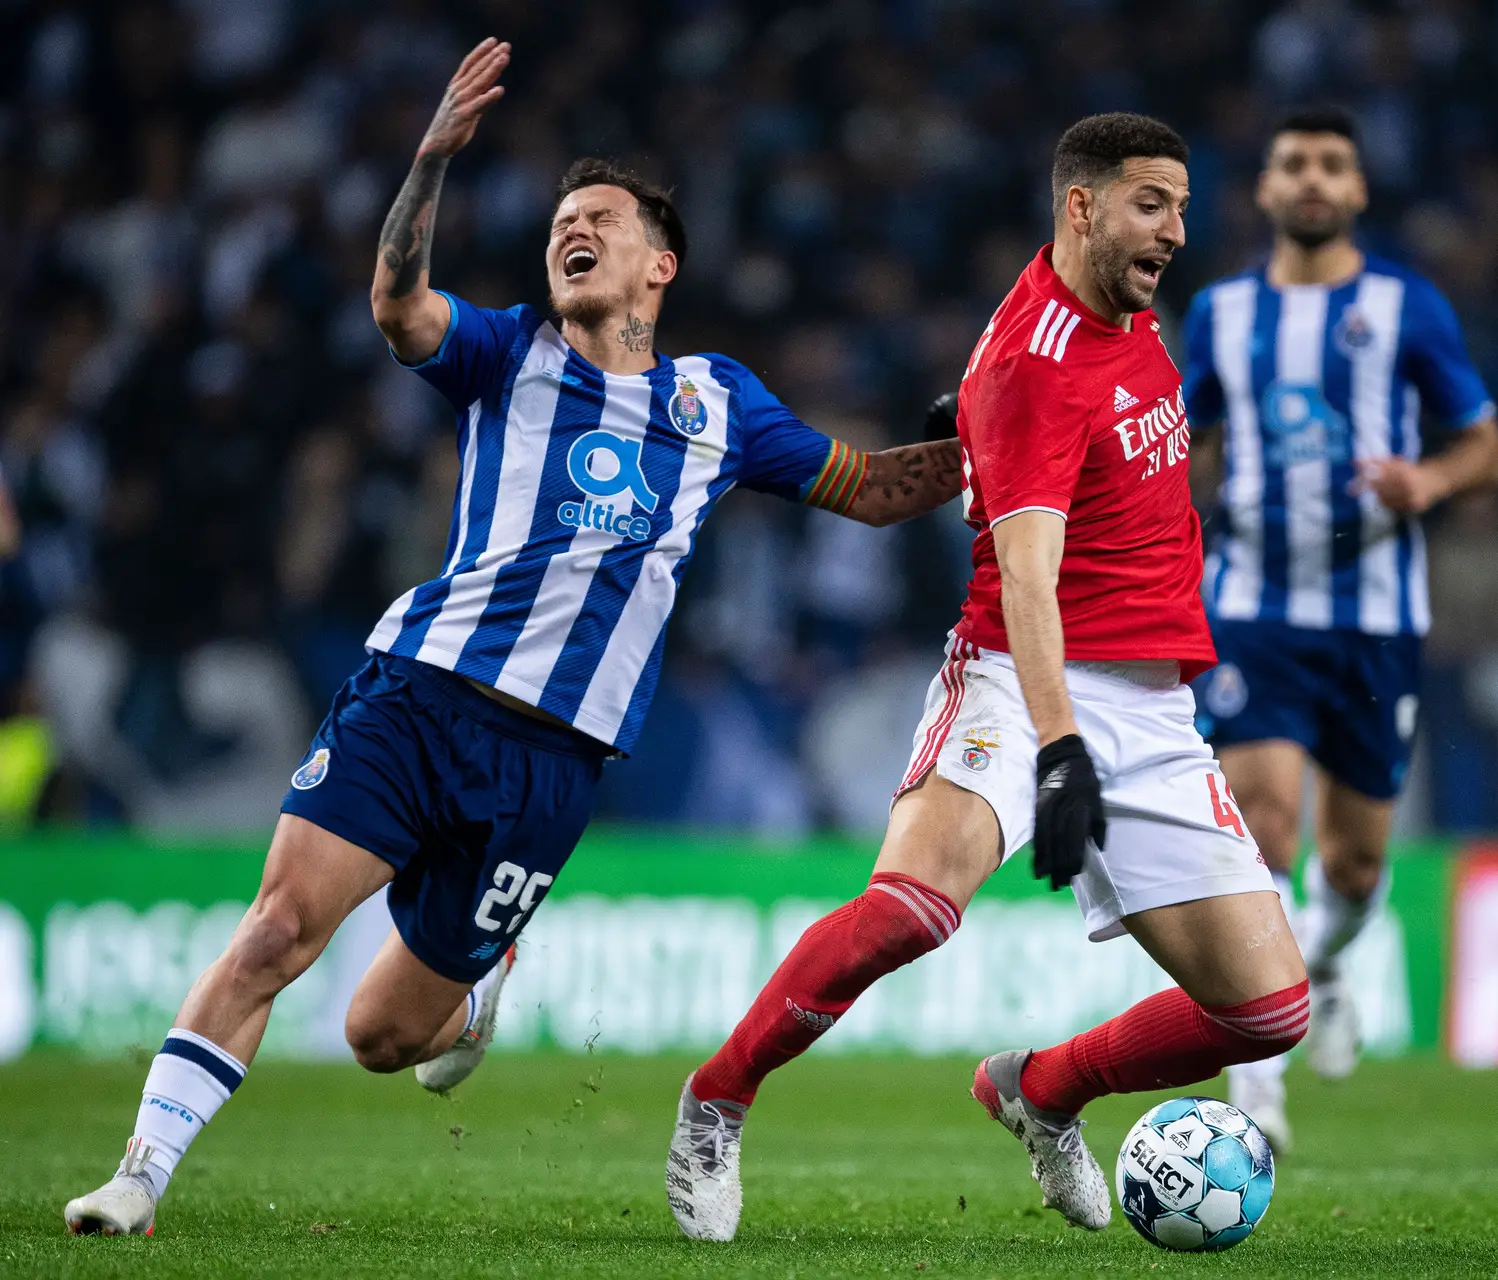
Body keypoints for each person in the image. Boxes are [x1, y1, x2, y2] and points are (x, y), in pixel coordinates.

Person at [63, 38, 963, 1238]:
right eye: (557, 223)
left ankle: (475, 986)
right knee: (276, 929)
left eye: (598, 218)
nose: (570, 232)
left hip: (552, 764)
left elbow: (873, 487)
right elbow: (396, 304)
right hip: (418, 695)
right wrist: (428, 165)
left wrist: (992, 441)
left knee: (381, 1035)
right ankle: (141, 1171)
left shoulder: (719, 404)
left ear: (661, 263)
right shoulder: (507, 353)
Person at [667, 113, 1310, 1244]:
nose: (1176, 229)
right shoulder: (1032, 361)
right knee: (907, 913)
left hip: (1154, 705)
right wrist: (1060, 748)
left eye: (1183, 206)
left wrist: (970, 427)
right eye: (1151, 204)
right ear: (1082, 205)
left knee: (1269, 1011)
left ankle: (1043, 1087)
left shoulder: (1117, 308)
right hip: (1021, 678)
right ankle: (718, 1094)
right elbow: (1027, 580)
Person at [1184, 105, 1498, 1150]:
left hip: (1377, 621)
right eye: (1294, 164)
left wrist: (1431, 477)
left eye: (1332, 164)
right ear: (1267, 190)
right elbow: (1169, 435)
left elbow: (1487, 449)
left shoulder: (1409, 310)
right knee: (1266, 824)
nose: (1313, 179)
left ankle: (1321, 964)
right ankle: (1259, 1075)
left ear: (1359, 190)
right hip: (1253, 609)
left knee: (1358, 865)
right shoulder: (1222, 313)